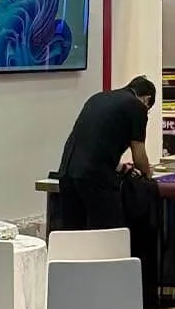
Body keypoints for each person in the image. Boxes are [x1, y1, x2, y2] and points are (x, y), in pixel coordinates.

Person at [54, 76, 156, 230]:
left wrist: (121, 167)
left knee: (74, 234)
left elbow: (94, 143)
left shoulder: (98, 98)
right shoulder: (137, 106)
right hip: (96, 180)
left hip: (67, 172)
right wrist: (148, 174)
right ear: (146, 99)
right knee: (107, 234)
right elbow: (139, 154)